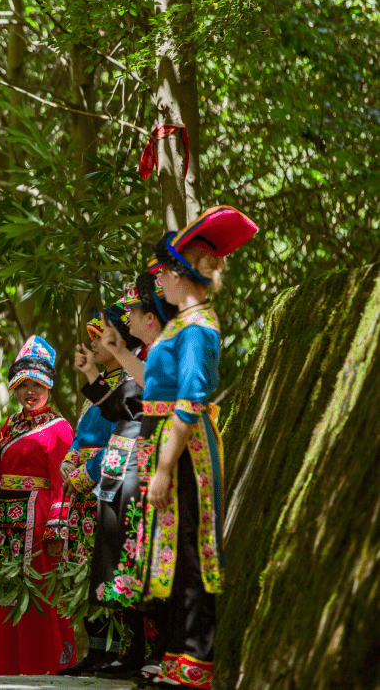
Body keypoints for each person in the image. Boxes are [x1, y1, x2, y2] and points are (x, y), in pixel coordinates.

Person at [108, 206, 256, 689]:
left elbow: (190, 401)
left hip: (184, 451)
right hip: (165, 445)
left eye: (162, 275)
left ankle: (196, 661)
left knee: (191, 547)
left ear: (177, 273)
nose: (159, 286)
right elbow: (155, 383)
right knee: (167, 549)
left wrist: (166, 466)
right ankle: (175, 656)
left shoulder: (196, 328)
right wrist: (118, 354)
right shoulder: (180, 324)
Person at [0, 335, 76, 676]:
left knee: (37, 589)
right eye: (23, 384)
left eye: (37, 384)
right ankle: (4, 665)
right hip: (4, 521)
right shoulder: (10, 426)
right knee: (3, 592)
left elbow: (62, 480)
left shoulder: (60, 429)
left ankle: (39, 664)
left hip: (39, 519)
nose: (30, 391)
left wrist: (57, 523)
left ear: (49, 386)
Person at [86, 273, 176, 680]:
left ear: (149, 319)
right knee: (120, 553)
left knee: (146, 551)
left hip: (146, 461)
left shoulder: (157, 356)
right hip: (122, 466)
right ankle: (134, 646)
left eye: (134, 313)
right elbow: (117, 409)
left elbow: (136, 408)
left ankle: (160, 647)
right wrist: (93, 375)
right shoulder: (136, 364)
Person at [59, 303, 141, 676]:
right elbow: (82, 436)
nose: (91, 345)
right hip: (84, 489)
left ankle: (119, 649)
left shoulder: (129, 384)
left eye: (99, 338)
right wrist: (70, 459)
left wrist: (87, 473)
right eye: (91, 338)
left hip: (106, 484)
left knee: (109, 563)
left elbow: (119, 439)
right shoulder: (104, 387)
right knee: (85, 568)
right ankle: (95, 649)